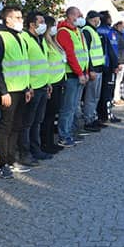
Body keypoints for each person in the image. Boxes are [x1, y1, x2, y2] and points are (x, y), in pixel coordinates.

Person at [0, 6, 34, 179]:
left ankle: (11, 159)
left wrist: (28, 86)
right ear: (7, 20)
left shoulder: (20, 37)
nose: (20, 20)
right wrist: (3, 91)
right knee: (6, 127)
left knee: (17, 126)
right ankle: (3, 164)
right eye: (16, 17)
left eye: (21, 17)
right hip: (9, 91)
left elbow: (24, 64)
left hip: (22, 89)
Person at [18, 12, 53, 163]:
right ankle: (25, 153)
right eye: (41, 21)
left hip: (43, 85)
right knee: (27, 123)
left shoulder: (40, 39)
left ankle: (36, 149)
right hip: (32, 88)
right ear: (32, 24)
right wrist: (28, 86)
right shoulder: (24, 38)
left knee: (37, 121)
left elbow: (43, 61)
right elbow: (24, 64)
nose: (44, 24)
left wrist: (48, 82)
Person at [55, 7, 90, 148]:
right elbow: (70, 55)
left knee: (73, 106)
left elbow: (84, 53)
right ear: (70, 16)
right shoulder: (64, 32)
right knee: (68, 107)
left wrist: (85, 72)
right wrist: (80, 73)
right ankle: (64, 135)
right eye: (78, 15)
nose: (81, 17)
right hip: (72, 75)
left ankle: (70, 132)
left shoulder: (78, 31)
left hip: (80, 74)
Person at [41, 16, 66, 154]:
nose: (56, 28)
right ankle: (46, 143)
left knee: (52, 114)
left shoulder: (54, 43)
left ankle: (50, 141)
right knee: (48, 115)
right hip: (50, 82)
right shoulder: (45, 43)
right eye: (54, 25)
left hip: (58, 81)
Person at [81, 11, 105, 132]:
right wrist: (90, 69)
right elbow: (87, 52)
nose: (98, 21)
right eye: (96, 19)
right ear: (91, 19)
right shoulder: (87, 30)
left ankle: (93, 117)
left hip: (98, 68)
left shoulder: (93, 30)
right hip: (93, 69)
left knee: (95, 96)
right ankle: (88, 120)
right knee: (90, 97)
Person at [97, 11, 121, 124]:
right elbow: (113, 50)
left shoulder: (97, 30)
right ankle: (108, 114)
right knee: (108, 91)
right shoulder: (109, 32)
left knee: (101, 92)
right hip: (109, 65)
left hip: (101, 64)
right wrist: (115, 65)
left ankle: (101, 114)